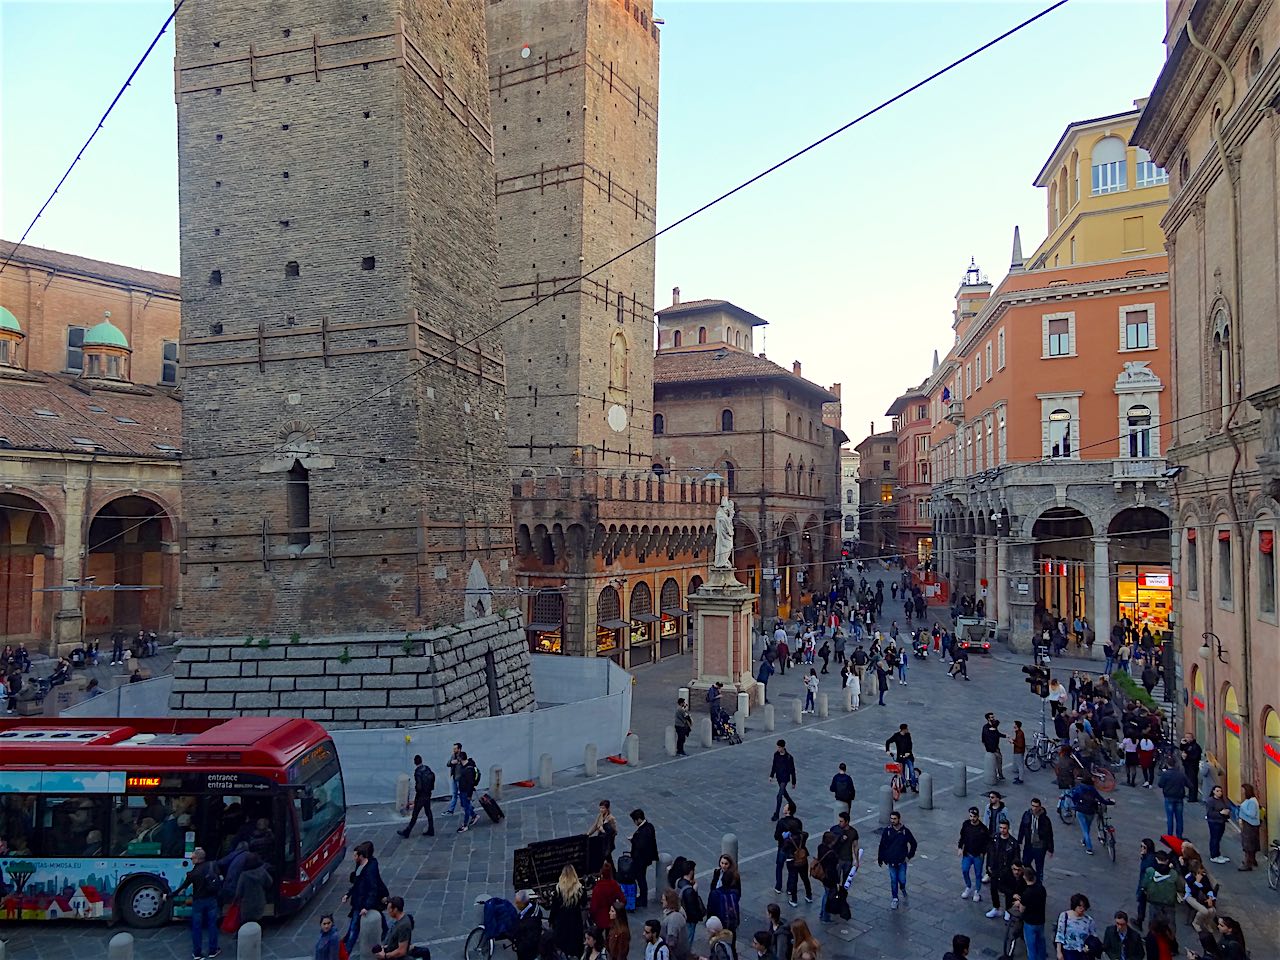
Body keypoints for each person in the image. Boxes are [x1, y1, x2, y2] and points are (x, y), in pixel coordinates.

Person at [164, 846, 222, 960]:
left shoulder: (192, 874)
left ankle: (197, 953)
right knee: (212, 925)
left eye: (192, 858)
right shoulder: (212, 865)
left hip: (198, 902)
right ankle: (213, 950)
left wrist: (168, 896)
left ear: (196, 859)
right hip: (211, 900)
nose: (191, 860)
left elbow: (181, 888)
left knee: (196, 927)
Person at [340, 841, 387, 953]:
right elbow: (357, 883)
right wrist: (348, 894)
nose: (353, 857)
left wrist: (366, 906)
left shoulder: (370, 870)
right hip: (360, 899)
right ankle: (385, 929)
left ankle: (347, 951)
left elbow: (372, 889)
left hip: (363, 901)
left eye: (355, 855)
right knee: (376, 912)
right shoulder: (360, 864)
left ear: (361, 856)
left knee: (354, 927)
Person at [876, 810, 916, 909]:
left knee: (902, 879)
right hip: (891, 861)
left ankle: (902, 887)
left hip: (902, 861)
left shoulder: (905, 831)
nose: (892, 821)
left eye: (894, 819)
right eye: (891, 819)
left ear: (899, 819)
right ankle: (895, 898)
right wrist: (880, 858)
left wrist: (909, 856)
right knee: (893, 880)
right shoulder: (887, 831)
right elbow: (882, 845)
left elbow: (913, 843)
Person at [1068, 776, 1113, 855]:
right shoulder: (1093, 790)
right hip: (1091, 811)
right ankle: (1084, 841)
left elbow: (1074, 797)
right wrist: (1109, 802)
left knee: (1085, 829)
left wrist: (1076, 804)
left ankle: (1089, 848)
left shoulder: (1079, 788)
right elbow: (1101, 799)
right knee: (1087, 827)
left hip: (1081, 811)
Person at [984, 821, 1020, 919]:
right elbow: (990, 853)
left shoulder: (1013, 843)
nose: (1002, 830)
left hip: (1007, 870)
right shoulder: (994, 838)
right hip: (995, 869)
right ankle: (996, 907)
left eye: (1004, 828)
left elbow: (1016, 859)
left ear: (1008, 828)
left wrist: (1014, 871)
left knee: (1008, 891)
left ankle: (1008, 910)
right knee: (993, 889)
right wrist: (988, 866)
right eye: (1001, 828)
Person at [550, 864, 587, 958]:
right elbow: (584, 903)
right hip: (575, 921)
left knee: (562, 947)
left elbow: (554, 908)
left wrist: (551, 921)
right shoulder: (580, 889)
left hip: (561, 922)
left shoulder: (558, 890)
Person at [1139, 853, 1184, 929]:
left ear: (1156, 860)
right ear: (1167, 861)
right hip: (1169, 903)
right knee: (1170, 925)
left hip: (1154, 901)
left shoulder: (1150, 871)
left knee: (1153, 923)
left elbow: (1144, 885)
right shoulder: (1173, 874)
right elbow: (1180, 887)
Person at [956, 806, 990, 903]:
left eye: (974, 816)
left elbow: (987, 842)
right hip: (967, 853)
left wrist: (983, 852)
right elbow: (962, 837)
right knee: (965, 870)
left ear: (978, 817)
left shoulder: (983, 829)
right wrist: (960, 847)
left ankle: (977, 891)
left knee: (978, 874)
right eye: (971, 816)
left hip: (978, 855)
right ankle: (968, 886)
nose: (972, 818)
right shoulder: (966, 825)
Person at [398, 754, 436, 838]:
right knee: (428, 811)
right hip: (428, 794)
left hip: (421, 795)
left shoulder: (418, 772)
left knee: (415, 814)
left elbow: (419, 786)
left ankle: (407, 831)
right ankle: (431, 829)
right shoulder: (427, 768)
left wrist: (416, 794)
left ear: (415, 762)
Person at [1017, 797, 1055, 880]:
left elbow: (1049, 834)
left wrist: (1050, 849)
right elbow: (1022, 828)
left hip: (1040, 846)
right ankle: (1033, 875)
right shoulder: (1027, 815)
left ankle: (1039, 881)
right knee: (1025, 862)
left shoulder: (1045, 819)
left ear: (1040, 807)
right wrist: (1019, 841)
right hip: (1029, 844)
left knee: (1039, 866)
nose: (1034, 808)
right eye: (1033, 806)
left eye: (1036, 806)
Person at [1053, 892, 1098, 960]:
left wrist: (1089, 948)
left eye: (1084, 906)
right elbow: (1060, 935)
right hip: (1068, 951)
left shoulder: (1089, 920)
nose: (1082, 909)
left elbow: (1093, 937)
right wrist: (1059, 952)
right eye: (1080, 906)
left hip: (1082, 953)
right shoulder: (1065, 916)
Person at [233, 852, 272, 927]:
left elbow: (239, 892)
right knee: (258, 921)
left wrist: (236, 901)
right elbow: (270, 882)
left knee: (246, 924)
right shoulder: (262, 872)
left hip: (247, 904)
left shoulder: (244, 875)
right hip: (260, 901)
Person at [708, 854, 741, 939]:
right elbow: (713, 885)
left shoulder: (734, 876)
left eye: (726, 864)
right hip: (717, 900)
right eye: (722, 863)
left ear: (730, 864)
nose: (723, 865)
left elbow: (738, 893)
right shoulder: (717, 872)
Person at [629, 810, 658, 908]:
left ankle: (642, 899)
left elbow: (640, 845)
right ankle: (642, 898)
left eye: (635, 820)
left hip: (641, 860)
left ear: (639, 819)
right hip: (645, 859)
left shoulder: (643, 831)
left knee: (640, 879)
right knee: (641, 878)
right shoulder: (649, 826)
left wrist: (633, 840)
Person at [773, 801, 802, 894]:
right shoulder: (798, 822)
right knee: (792, 869)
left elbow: (776, 836)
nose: (783, 808)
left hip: (782, 847)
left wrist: (782, 836)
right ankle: (790, 888)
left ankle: (778, 886)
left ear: (788, 811)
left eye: (785, 807)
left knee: (779, 866)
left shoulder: (781, 822)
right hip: (793, 849)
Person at [1020, 867, 1048, 960]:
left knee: (1031, 947)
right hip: (1040, 921)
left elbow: (1022, 909)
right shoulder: (1042, 889)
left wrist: (1019, 903)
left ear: (1025, 877)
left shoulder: (1026, 894)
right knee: (1041, 943)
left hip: (1030, 922)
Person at [782, 823, 811, 907]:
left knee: (794, 880)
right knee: (805, 878)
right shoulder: (803, 836)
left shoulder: (788, 840)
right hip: (803, 860)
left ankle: (794, 900)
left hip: (792, 862)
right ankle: (809, 895)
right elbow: (806, 833)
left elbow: (783, 849)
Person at [1155, 762, 1189, 837]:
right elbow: (1189, 784)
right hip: (1179, 798)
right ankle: (1179, 835)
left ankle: (1170, 835)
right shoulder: (1181, 774)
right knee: (1179, 818)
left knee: (1170, 817)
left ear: (1168, 764)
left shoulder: (1166, 774)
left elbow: (1160, 785)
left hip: (1169, 797)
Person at [589, 861, 623, 930]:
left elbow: (594, 906)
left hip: (600, 918)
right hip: (611, 918)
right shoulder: (614, 885)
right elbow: (623, 900)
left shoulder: (598, 888)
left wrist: (591, 915)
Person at [1133, 838, 1159, 930]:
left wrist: (1143, 887)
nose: (1141, 848)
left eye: (1143, 847)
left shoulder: (1149, 859)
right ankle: (1139, 920)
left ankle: (1141, 922)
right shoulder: (1148, 857)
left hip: (1146, 885)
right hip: (1145, 884)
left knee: (1143, 903)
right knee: (1142, 903)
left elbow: (1147, 873)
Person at [884, 724, 917, 792]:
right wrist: (887, 750)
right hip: (901, 757)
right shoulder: (896, 736)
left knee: (912, 772)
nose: (908, 730)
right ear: (903, 729)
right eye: (907, 729)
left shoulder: (908, 735)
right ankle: (903, 786)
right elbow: (888, 741)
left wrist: (908, 753)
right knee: (901, 772)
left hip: (908, 757)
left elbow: (910, 745)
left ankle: (913, 786)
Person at [769, 741, 797, 821]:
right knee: (784, 793)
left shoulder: (789, 757)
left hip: (785, 778)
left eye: (779, 747)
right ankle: (792, 804)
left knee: (779, 795)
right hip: (779, 777)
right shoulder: (776, 755)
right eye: (777, 747)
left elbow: (792, 770)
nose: (778, 749)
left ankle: (776, 814)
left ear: (783, 747)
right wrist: (771, 775)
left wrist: (793, 782)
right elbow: (774, 765)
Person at [1202, 786, 1230, 865]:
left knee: (1218, 838)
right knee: (1214, 838)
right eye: (1217, 791)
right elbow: (1210, 813)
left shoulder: (1222, 800)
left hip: (1221, 822)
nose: (1219, 793)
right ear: (1213, 791)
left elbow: (1226, 807)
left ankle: (1218, 854)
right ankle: (1213, 856)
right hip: (1214, 822)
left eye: (1220, 791)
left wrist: (1227, 812)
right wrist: (1220, 813)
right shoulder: (1210, 801)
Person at [1236, 783, 1261, 870]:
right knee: (1251, 844)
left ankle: (1247, 863)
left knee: (1248, 845)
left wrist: (1241, 807)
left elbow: (1252, 814)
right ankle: (1252, 860)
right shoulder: (1249, 800)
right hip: (1249, 824)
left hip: (1250, 825)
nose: (1241, 792)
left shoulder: (1252, 802)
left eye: (1243, 790)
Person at [514, 891, 544, 960]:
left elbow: (530, 941)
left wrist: (519, 947)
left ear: (522, 904)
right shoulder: (534, 907)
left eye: (517, 903)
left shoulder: (529, 923)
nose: (516, 904)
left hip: (527, 951)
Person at [659, 890, 688, 960]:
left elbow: (671, 941)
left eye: (663, 900)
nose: (661, 901)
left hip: (674, 955)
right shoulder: (675, 913)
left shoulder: (673, 919)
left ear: (669, 901)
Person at [456, 751, 480, 831]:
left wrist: (469, 795)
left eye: (458, 758)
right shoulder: (464, 765)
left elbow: (470, 783)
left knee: (466, 808)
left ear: (461, 758)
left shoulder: (468, 769)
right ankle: (474, 815)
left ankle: (465, 825)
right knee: (464, 805)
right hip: (462, 790)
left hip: (466, 791)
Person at [982, 714, 1007, 782]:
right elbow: (985, 738)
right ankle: (999, 775)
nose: (993, 718)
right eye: (992, 717)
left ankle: (998, 775)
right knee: (998, 762)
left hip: (992, 748)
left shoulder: (987, 727)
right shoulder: (989, 728)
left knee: (996, 762)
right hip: (994, 748)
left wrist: (1005, 736)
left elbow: (984, 739)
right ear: (988, 719)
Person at [1178, 734, 1203, 802]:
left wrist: (1186, 757)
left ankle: (1193, 797)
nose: (1187, 738)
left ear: (1192, 738)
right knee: (1189, 780)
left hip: (1192, 766)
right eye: (1186, 737)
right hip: (1187, 765)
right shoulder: (1188, 744)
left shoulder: (1195, 746)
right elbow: (1182, 749)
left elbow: (1196, 757)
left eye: (1188, 737)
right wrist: (1182, 744)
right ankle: (1190, 794)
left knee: (1192, 781)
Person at [445, 742, 464, 815]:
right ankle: (451, 810)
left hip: (460, 778)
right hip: (454, 778)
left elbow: (464, 764)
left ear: (459, 749)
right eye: (453, 748)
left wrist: (458, 761)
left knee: (462, 794)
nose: (454, 750)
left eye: (455, 748)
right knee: (454, 794)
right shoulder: (453, 755)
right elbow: (448, 764)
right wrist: (451, 762)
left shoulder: (462, 755)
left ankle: (467, 807)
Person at [1011, 720, 1027, 785]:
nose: (1013, 725)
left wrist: (1013, 742)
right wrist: (1014, 740)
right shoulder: (1018, 732)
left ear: (1016, 725)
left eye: (1014, 724)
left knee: (1020, 766)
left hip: (1018, 751)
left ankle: (1021, 779)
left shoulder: (1020, 733)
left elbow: (1020, 744)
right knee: (1020, 765)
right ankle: (1020, 777)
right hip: (1019, 751)